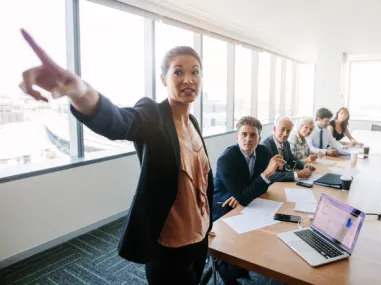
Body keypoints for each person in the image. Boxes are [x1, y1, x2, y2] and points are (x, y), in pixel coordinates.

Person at [19, 29, 211, 284]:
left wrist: (210, 224)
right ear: (164, 79)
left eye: (195, 71)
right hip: (169, 244)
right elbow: (119, 122)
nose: (188, 78)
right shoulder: (153, 115)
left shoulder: (194, 124)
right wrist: (79, 90)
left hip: (200, 237)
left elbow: (203, 182)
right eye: (178, 71)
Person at [213, 116, 288, 284]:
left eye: (253, 135)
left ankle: (245, 264)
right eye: (244, 134)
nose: (248, 139)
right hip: (223, 206)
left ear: (259, 139)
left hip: (246, 201)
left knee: (274, 223)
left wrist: (244, 193)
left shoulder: (262, 152)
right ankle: (225, 268)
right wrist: (264, 176)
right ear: (237, 137)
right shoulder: (226, 159)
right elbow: (247, 194)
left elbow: (262, 188)